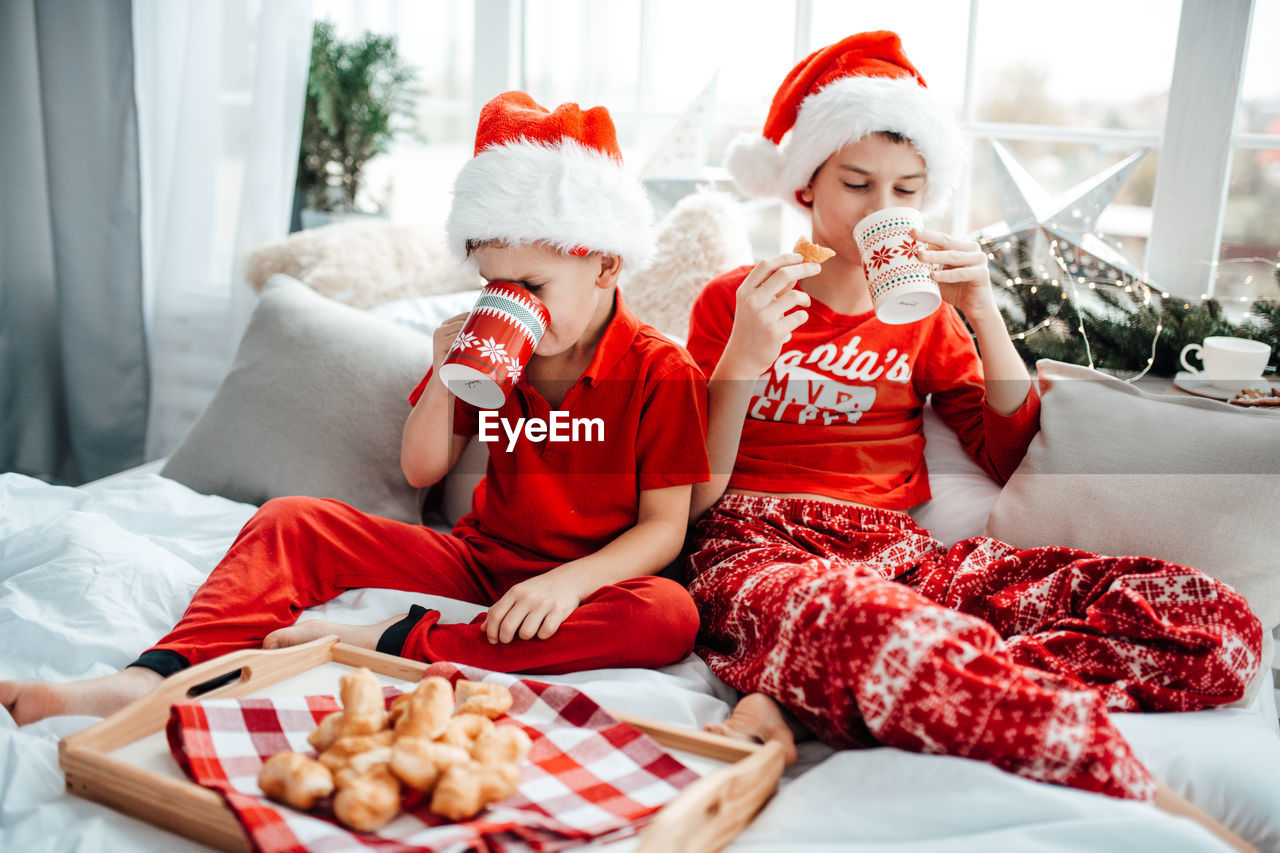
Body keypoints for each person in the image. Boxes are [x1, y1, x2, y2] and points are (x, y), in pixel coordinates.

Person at [684, 32, 1261, 851]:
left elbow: (1007, 449)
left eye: (906, 190)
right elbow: (694, 491)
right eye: (857, 184)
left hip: (904, 559)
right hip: (757, 544)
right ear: (806, 187)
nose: (883, 207)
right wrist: (743, 355)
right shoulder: (733, 302)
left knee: (1214, 625)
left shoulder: (923, 315)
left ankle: (856, 679)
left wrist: (980, 309)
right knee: (860, 619)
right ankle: (1148, 799)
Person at [2, 91, 708, 725]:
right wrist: (443, 375)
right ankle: (151, 677)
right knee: (290, 520)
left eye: (531, 285)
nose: (508, 302)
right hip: (480, 559)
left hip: (586, 584)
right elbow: (421, 465)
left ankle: (393, 644)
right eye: (494, 285)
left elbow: (662, 530)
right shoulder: (498, 346)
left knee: (669, 615)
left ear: (606, 264)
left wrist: (569, 581)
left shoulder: (659, 368)